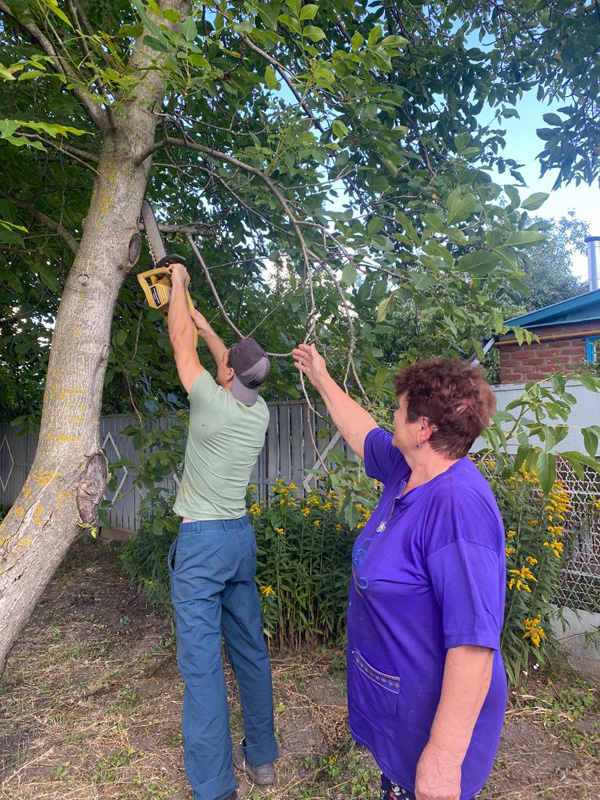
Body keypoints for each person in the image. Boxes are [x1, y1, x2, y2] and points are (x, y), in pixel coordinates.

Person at [292, 343, 507, 800]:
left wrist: (444, 761)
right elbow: (361, 429)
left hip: (430, 737)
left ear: (424, 428)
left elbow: (473, 646)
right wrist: (321, 376)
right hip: (401, 715)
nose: (392, 414)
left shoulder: (458, 506)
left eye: (400, 408)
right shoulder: (407, 469)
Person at [167, 263, 278, 800]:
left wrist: (181, 285)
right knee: (250, 650)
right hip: (239, 541)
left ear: (229, 377)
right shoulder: (258, 414)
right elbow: (221, 364)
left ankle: (214, 788)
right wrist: (214, 333)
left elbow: (178, 340)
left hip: (204, 545)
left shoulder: (208, 402)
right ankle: (262, 757)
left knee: (203, 668)